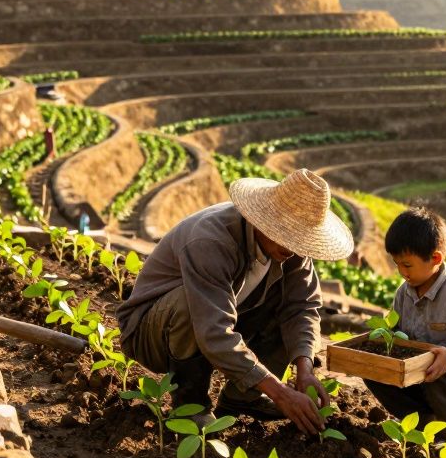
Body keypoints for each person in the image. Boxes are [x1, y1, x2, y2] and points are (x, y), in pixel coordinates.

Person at [117, 169, 354, 435]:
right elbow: (213, 330)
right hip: (151, 334)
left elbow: (303, 307)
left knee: (288, 310)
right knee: (188, 302)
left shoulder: (292, 251)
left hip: (217, 321)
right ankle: (191, 405)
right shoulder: (211, 240)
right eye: (288, 235)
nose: (295, 249)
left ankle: (243, 398)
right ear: (265, 220)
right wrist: (280, 393)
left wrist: (305, 368)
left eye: (300, 239)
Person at [364, 206, 446, 458]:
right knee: (374, 370)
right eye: (397, 264)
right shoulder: (404, 292)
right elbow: (396, 333)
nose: (402, 272)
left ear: (435, 259)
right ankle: (426, 423)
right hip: (425, 372)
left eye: (407, 264)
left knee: (439, 371)